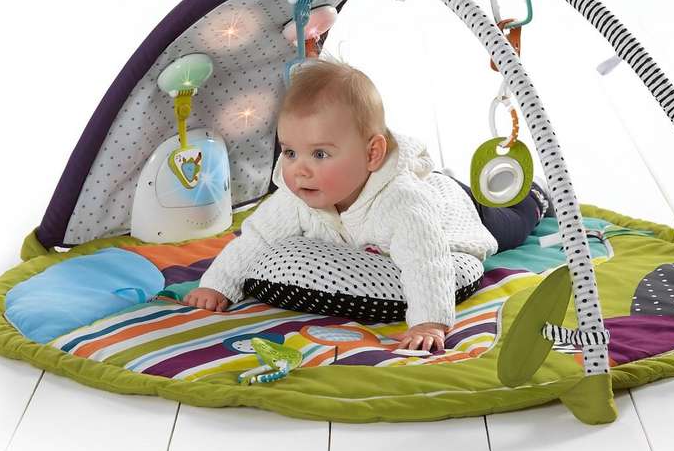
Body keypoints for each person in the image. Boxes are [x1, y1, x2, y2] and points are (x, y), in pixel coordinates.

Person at [186, 59, 548, 352]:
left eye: (320, 154)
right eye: (290, 152)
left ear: (372, 153)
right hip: (422, 198)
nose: (298, 170)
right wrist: (217, 285)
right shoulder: (297, 196)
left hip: (455, 209)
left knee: (512, 224)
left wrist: (428, 322)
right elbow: (256, 238)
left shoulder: (401, 204)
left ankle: (535, 196)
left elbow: (426, 261)